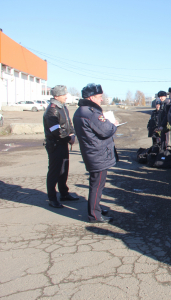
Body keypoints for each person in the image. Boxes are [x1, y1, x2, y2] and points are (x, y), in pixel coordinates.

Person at [73, 83, 118, 223]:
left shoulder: (81, 110)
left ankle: (96, 208)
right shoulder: (91, 113)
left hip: (92, 153)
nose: (101, 100)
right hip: (97, 154)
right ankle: (94, 215)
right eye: (99, 97)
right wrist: (114, 125)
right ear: (91, 98)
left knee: (97, 184)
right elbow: (107, 130)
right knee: (97, 186)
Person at [43, 85, 78, 208]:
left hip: (63, 144)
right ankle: (52, 198)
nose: (66, 96)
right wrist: (69, 138)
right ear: (57, 96)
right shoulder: (52, 111)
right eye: (64, 95)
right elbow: (56, 132)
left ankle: (64, 193)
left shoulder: (63, 107)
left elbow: (68, 123)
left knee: (63, 171)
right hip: (55, 145)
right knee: (54, 172)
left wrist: (72, 134)